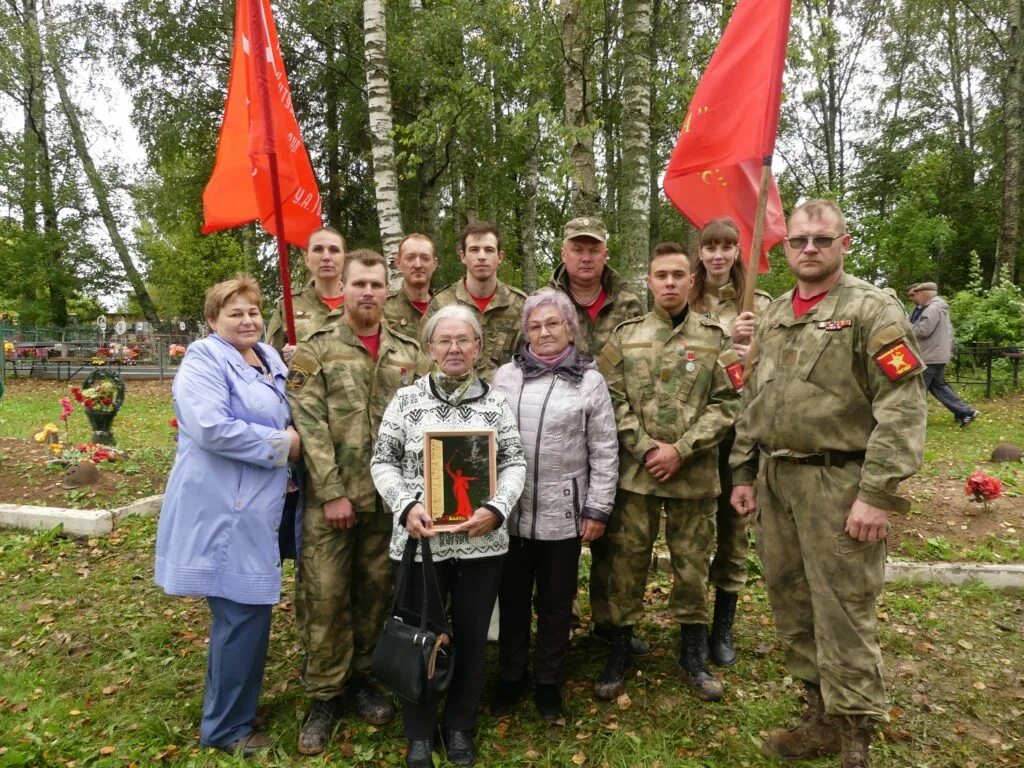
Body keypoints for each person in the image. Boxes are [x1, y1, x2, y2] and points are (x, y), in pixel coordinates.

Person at [730, 200, 927, 768]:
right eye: (798, 241)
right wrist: (744, 472)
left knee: (844, 610)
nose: (809, 249)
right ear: (785, 247)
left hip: (840, 484)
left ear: (843, 243)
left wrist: (877, 494)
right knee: (791, 604)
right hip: (777, 481)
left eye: (821, 239)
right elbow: (754, 399)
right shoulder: (774, 314)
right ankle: (819, 715)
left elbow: (902, 404)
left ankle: (855, 741)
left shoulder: (871, 309)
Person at [371, 305, 526, 768]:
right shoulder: (406, 401)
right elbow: (383, 461)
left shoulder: (496, 403)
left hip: (482, 545)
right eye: (445, 340)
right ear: (430, 348)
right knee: (422, 636)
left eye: (464, 340)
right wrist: (405, 505)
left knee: (474, 638)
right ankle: (419, 731)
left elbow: (514, 462)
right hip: (422, 545)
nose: (455, 348)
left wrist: (496, 509)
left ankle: (460, 726)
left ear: (478, 348)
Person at [155, 274, 302, 755]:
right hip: (223, 505)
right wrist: (283, 444)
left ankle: (235, 707)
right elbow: (211, 427)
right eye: (234, 312)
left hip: (261, 502)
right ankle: (225, 728)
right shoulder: (203, 359)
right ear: (213, 319)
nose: (247, 319)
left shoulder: (269, 357)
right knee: (240, 612)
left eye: (254, 311)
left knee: (248, 611)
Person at [287, 249, 426, 755]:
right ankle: (325, 693)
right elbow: (309, 423)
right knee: (324, 599)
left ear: (387, 289)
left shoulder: (409, 350)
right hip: (333, 502)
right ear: (341, 287)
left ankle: (363, 678)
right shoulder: (315, 349)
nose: (368, 292)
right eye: (358, 284)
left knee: (374, 596)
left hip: (389, 503)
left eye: (375, 284)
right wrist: (331, 493)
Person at [594, 242, 742, 703]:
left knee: (692, 568)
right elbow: (609, 398)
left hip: (693, 478)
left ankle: (693, 657)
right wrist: (643, 447)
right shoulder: (625, 336)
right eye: (662, 275)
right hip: (637, 478)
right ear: (650, 281)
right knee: (627, 564)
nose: (671, 283)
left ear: (692, 281)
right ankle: (619, 652)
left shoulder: (717, 339)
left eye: (679, 275)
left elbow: (730, 403)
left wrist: (680, 449)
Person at [490, 288, 618, 721]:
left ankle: (547, 683)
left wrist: (597, 508)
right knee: (511, 600)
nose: (544, 332)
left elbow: (604, 449)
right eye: (535, 325)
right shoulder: (505, 377)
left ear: (570, 329)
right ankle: (511, 677)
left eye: (553, 324)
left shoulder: (589, 380)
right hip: (509, 514)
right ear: (525, 331)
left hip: (564, 515)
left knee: (556, 605)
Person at [548, 216, 645, 655]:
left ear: (605, 253)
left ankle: (610, 626)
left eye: (593, 249)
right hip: (558, 437)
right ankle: (560, 622)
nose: (585, 257)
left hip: (614, 434)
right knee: (556, 538)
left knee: (613, 532)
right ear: (564, 253)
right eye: (577, 249)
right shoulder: (545, 302)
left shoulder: (629, 303)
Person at [688, 217, 773, 667]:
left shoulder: (758, 304)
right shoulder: (686, 299)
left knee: (734, 530)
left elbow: (780, 367)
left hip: (741, 433)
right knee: (694, 533)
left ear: (739, 252)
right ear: (699, 253)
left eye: (726, 247)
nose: (718, 255)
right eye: (710, 247)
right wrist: (723, 345)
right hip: (699, 431)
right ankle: (695, 628)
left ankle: (724, 625)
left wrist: (752, 352)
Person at [425, 221, 526, 382]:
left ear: (500, 257)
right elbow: (426, 358)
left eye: (489, 250)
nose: (481, 256)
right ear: (463, 256)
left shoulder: (520, 305)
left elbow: (529, 362)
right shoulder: (442, 303)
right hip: (451, 399)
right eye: (474, 249)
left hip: (504, 400)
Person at [265, 227, 346, 362]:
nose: (326, 257)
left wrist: (305, 355)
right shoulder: (289, 306)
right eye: (318, 249)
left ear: (345, 258)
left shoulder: (362, 303)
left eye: (334, 250)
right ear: (306, 258)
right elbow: (270, 360)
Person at [908, 281, 980, 428]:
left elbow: (922, 331)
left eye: (918, 294)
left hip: (930, 356)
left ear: (925, 293)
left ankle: (912, 421)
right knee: (938, 387)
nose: (916, 297)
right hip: (937, 354)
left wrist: (905, 326)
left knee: (918, 389)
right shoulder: (937, 307)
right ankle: (965, 412)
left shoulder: (932, 309)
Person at [384, 232, 438, 333]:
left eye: (425, 258)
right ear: (398, 263)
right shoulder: (384, 310)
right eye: (410, 258)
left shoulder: (447, 308)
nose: (418, 265)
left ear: (434, 264)